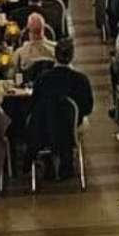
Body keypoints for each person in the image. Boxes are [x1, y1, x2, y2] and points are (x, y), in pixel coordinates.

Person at [28, 39, 94, 179]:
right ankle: (67, 160)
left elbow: (33, 105)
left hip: (44, 127)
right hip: (71, 126)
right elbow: (88, 108)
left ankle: (48, 160)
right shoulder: (81, 80)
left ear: (55, 55)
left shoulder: (42, 79)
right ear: (72, 55)